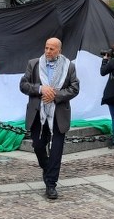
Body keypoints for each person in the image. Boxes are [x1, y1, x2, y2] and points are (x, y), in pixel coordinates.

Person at [20, 38, 80, 199]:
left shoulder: (69, 67)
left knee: (56, 151)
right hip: (37, 114)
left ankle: (51, 184)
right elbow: (23, 85)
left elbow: (74, 88)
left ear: (59, 50)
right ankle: (47, 169)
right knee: (39, 146)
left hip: (59, 115)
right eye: (46, 48)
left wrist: (55, 95)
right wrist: (40, 89)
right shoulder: (34, 64)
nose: (48, 51)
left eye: (52, 49)